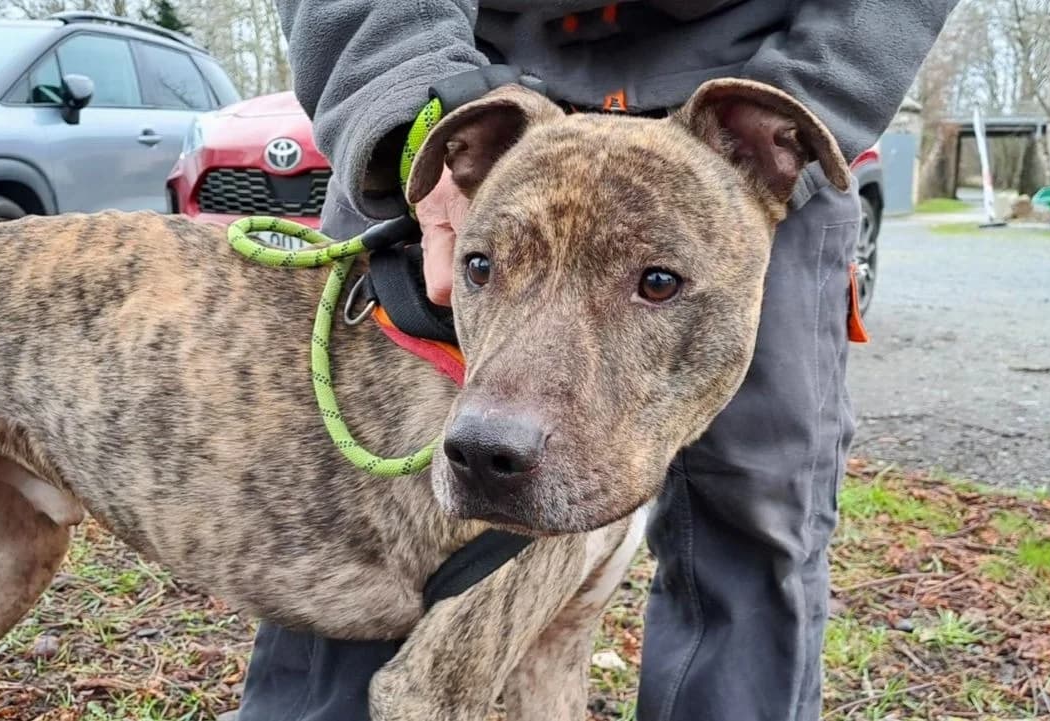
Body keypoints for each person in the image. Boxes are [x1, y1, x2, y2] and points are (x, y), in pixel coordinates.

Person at [235, 2, 957, 720]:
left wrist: (807, 102)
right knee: (351, 517)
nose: (494, 429)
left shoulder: (764, 149)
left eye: (657, 281)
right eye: (487, 267)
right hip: (463, 72)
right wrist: (410, 103)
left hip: (767, 65)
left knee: (756, 527)